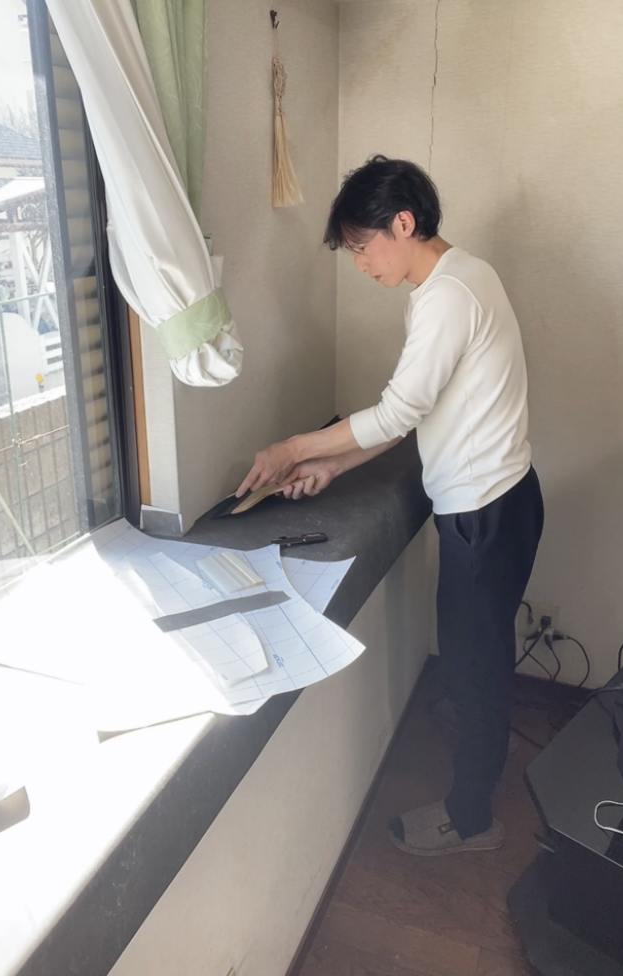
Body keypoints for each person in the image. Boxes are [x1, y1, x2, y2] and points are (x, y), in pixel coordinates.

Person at [236, 155, 544, 856]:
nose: (360, 264)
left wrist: (292, 447)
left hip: (484, 514)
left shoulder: (447, 297)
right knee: (477, 651)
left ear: (403, 224)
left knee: (475, 666)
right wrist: (329, 464)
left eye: (362, 246)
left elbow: (399, 412)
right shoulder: (460, 276)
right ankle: (473, 714)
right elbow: (412, 413)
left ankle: (471, 819)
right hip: (506, 499)